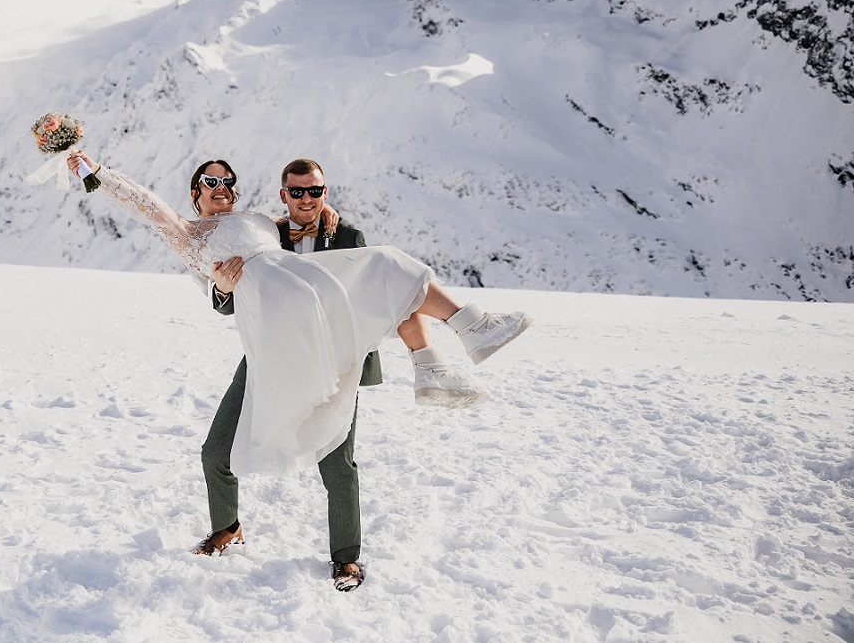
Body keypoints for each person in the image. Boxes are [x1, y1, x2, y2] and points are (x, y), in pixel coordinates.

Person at [59, 150, 530, 583]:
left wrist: (321, 219)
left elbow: (336, 254)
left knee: (341, 449)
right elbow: (144, 206)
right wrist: (91, 169)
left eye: (228, 180)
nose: (220, 186)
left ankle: (348, 550)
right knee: (215, 451)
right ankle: (227, 528)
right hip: (271, 345)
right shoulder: (188, 234)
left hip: (330, 343)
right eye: (210, 180)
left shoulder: (282, 225)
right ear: (194, 191)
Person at [197, 158, 492, 592]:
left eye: (314, 191)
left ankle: (347, 559)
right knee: (215, 450)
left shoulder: (348, 237)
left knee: (337, 463)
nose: (306, 199)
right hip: (267, 359)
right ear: (283, 196)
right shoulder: (264, 235)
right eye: (296, 191)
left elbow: (383, 292)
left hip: (335, 363)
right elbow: (227, 304)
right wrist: (222, 287)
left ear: (325, 193)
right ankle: (227, 528)